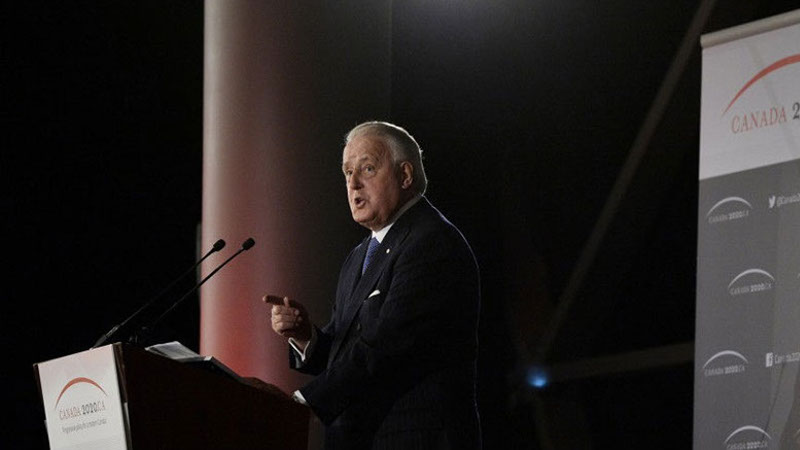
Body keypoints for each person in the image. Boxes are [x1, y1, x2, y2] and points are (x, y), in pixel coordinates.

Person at [267, 121, 481, 449]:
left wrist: (301, 403)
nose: (353, 183)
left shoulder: (431, 242)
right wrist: (305, 336)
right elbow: (346, 351)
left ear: (405, 175)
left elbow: (385, 348)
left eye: (367, 168)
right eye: (347, 172)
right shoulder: (360, 256)